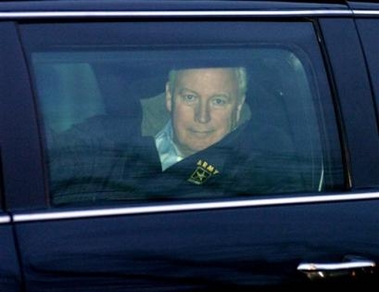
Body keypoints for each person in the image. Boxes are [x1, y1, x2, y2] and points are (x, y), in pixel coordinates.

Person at [154, 67, 248, 171]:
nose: (202, 117)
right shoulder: (134, 154)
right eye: (190, 97)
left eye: (218, 101)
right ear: (169, 97)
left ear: (238, 106)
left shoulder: (259, 171)